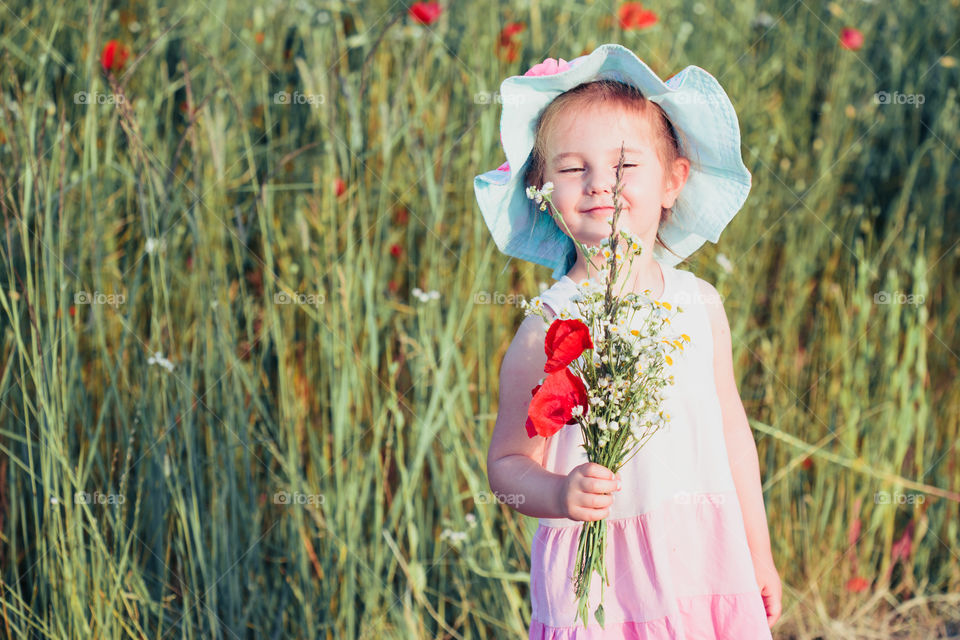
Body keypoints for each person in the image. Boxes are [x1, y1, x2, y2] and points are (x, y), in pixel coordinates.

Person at [474, 44, 782, 638]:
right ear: (543, 188)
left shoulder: (699, 303)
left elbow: (733, 438)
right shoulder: (548, 324)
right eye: (571, 169)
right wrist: (559, 493)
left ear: (672, 181)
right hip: (602, 588)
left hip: (705, 564)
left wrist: (758, 552)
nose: (597, 185)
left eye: (623, 166)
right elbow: (506, 467)